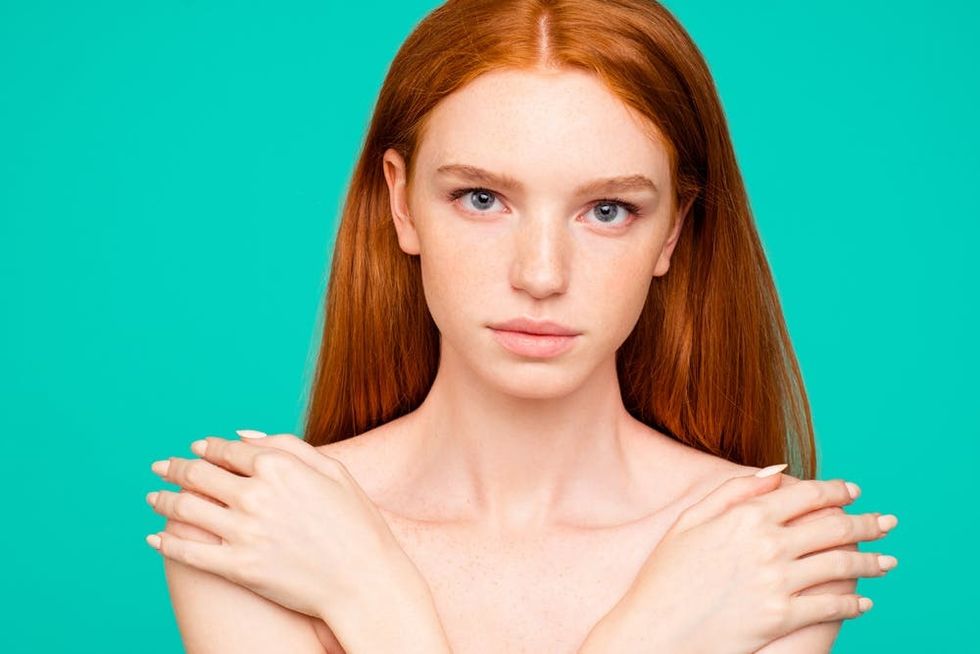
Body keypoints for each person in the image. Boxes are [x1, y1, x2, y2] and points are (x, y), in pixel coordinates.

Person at [149, 1, 899, 652]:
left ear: (672, 231)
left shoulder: (762, 551)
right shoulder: (256, 529)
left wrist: (367, 600)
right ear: (402, 204)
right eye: (481, 198)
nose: (541, 275)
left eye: (608, 210)